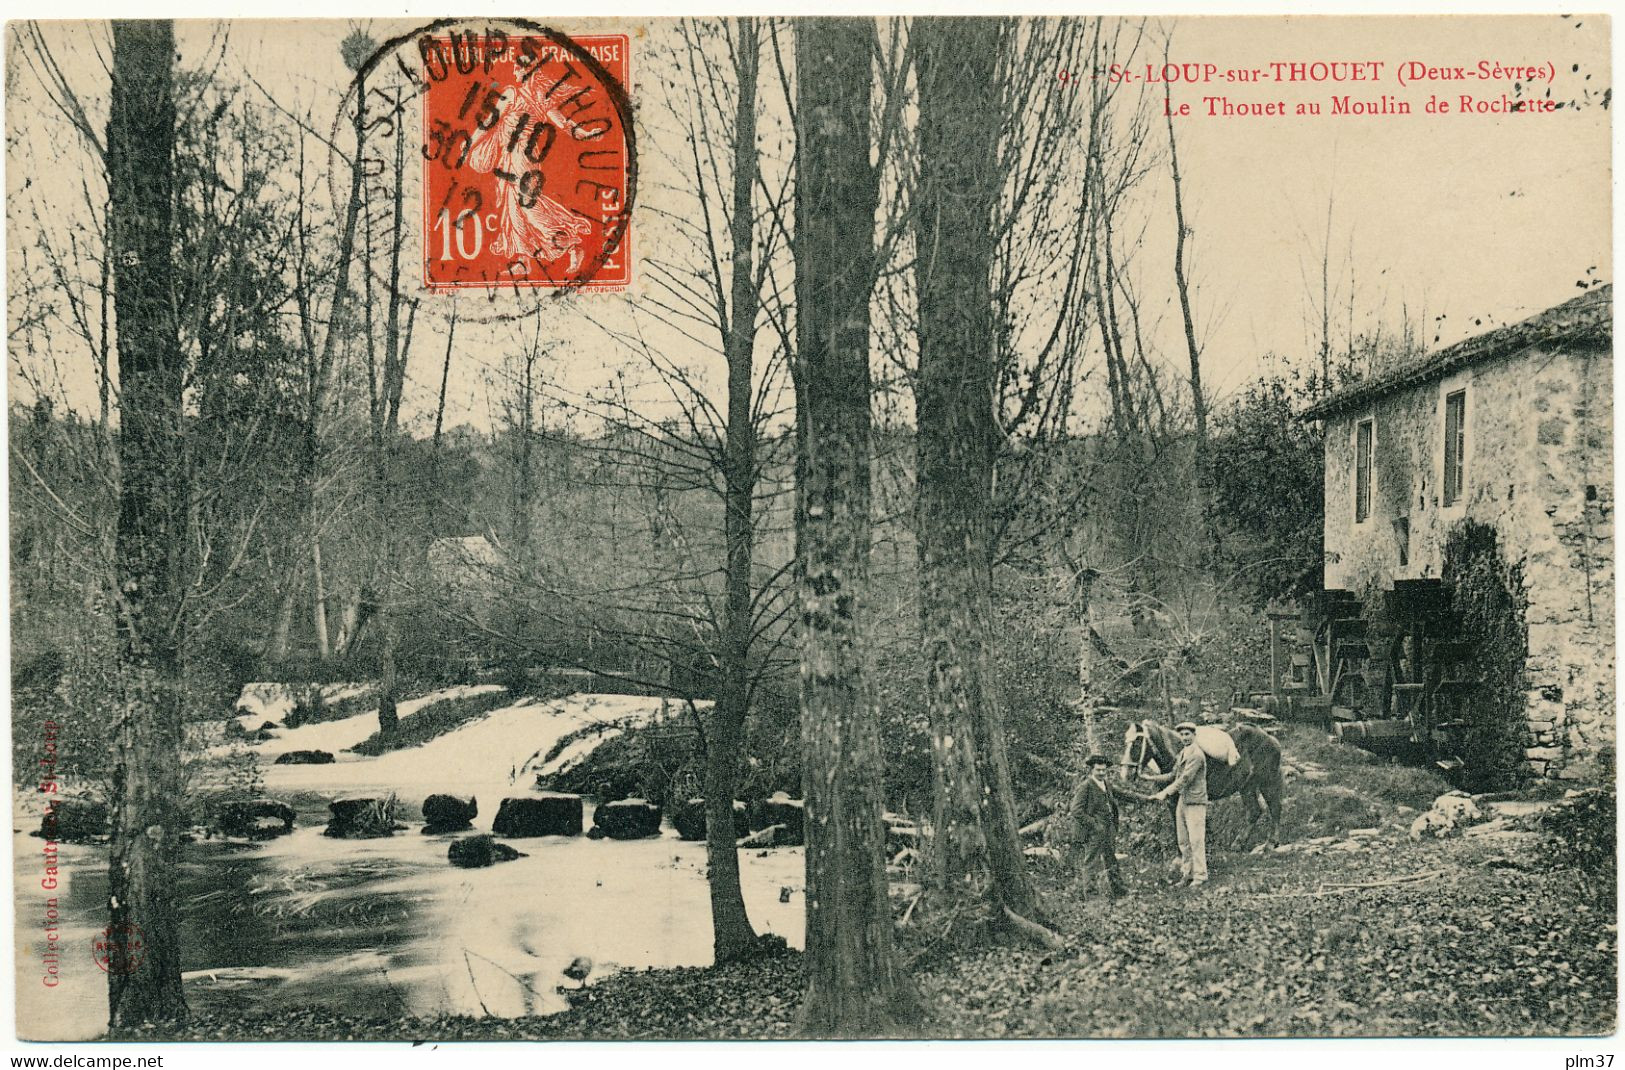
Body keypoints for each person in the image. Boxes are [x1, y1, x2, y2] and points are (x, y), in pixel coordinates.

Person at [1071, 753, 1147, 899]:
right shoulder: (1086, 786)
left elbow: (1123, 794)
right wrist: (1094, 824)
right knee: (1091, 862)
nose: (1101, 773)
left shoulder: (1106, 784)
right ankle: (1091, 896)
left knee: (1111, 859)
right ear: (1091, 770)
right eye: (1098, 770)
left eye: (1103, 770)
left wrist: (1146, 798)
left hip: (1108, 829)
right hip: (1094, 832)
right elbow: (1076, 811)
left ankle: (1119, 890)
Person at [1144, 721, 1209, 887]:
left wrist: (1164, 793)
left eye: (1188, 734)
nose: (1185, 737)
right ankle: (1187, 875)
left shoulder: (1196, 755)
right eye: (1182, 734)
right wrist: (1149, 778)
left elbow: (1184, 779)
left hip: (1195, 801)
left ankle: (1200, 876)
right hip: (1183, 800)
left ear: (1194, 736)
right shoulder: (1182, 753)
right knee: (1183, 841)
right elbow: (1172, 775)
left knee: (1196, 840)